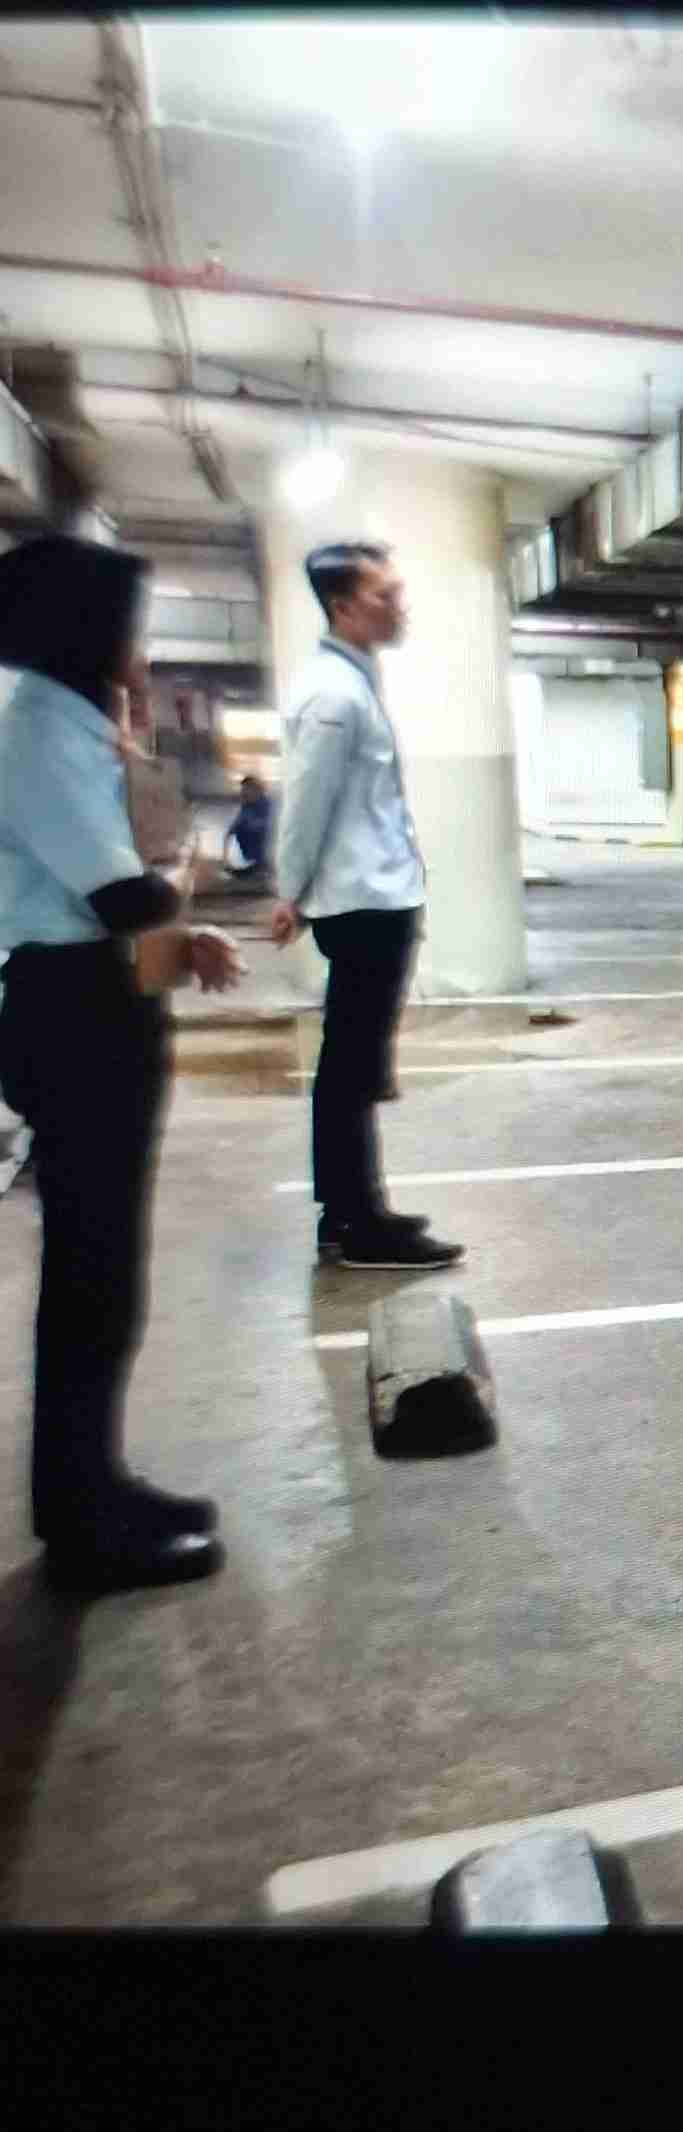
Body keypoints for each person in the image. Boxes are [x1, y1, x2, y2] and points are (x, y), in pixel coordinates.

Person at [0, 532, 245, 1592]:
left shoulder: (73, 725)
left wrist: (178, 919)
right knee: (92, 1273)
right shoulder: (36, 732)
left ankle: (99, 1482)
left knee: (107, 1272)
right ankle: (81, 1519)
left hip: (95, 998)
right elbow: (120, 895)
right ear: (83, 627)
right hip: (72, 1011)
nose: (140, 647)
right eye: (128, 625)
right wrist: (185, 881)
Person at [270, 542, 463, 1274]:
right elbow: (307, 802)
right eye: (385, 595)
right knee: (351, 1067)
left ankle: (354, 1211)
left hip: (374, 896)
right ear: (344, 605)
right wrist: (289, 891)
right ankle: (356, 1224)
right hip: (362, 903)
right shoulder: (334, 694)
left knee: (355, 1064)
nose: (398, 606)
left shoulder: (351, 680)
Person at [220, 770, 273, 883]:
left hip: (265, 859)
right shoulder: (247, 808)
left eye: (246, 790)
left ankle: (260, 869)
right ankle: (251, 869)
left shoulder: (268, 806)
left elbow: (268, 828)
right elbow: (229, 833)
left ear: (257, 790)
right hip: (251, 861)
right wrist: (225, 859)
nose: (243, 793)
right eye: (243, 790)